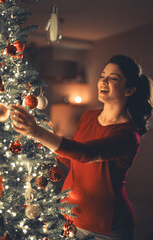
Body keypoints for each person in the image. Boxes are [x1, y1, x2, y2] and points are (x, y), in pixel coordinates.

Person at [10, 55, 152, 240]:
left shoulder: (127, 135)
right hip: (70, 216)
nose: (103, 81)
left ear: (129, 90)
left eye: (113, 78)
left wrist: (37, 132)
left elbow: (86, 154)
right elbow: (73, 160)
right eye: (102, 76)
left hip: (106, 226)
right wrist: (43, 141)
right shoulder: (88, 117)